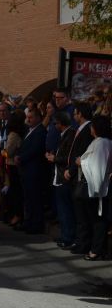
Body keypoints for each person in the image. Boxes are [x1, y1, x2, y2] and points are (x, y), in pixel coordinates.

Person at [75, 115, 111, 260]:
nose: (90, 128)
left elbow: (96, 165)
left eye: (92, 126)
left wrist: (80, 162)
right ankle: (96, 248)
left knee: (97, 221)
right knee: (97, 220)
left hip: (96, 187)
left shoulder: (101, 143)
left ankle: (96, 250)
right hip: (100, 186)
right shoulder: (105, 142)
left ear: (95, 128)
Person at [65, 102, 94, 255]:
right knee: (78, 212)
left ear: (80, 114)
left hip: (81, 176)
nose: (74, 116)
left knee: (82, 213)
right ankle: (80, 240)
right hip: (75, 174)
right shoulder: (80, 129)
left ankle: (84, 243)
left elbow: (82, 153)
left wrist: (71, 170)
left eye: (75, 113)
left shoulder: (88, 130)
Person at [45, 111, 76, 249]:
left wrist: (54, 158)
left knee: (65, 210)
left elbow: (69, 158)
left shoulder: (70, 135)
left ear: (60, 123)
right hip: (60, 176)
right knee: (63, 210)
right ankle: (65, 235)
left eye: (55, 123)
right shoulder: (65, 135)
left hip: (64, 178)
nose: (54, 126)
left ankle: (68, 237)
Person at [15, 107, 47, 234]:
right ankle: (28, 222)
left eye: (31, 117)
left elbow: (35, 149)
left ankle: (36, 224)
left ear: (38, 118)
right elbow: (23, 146)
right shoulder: (29, 130)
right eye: (27, 117)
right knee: (28, 198)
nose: (28, 119)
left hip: (34, 170)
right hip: (26, 170)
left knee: (35, 198)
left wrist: (21, 157)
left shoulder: (40, 131)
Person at [3, 110, 25, 227]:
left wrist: (1, 152)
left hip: (12, 166)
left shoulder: (13, 135)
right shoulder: (18, 133)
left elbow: (8, 152)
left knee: (14, 192)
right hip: (14, 166)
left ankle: (16, 215)